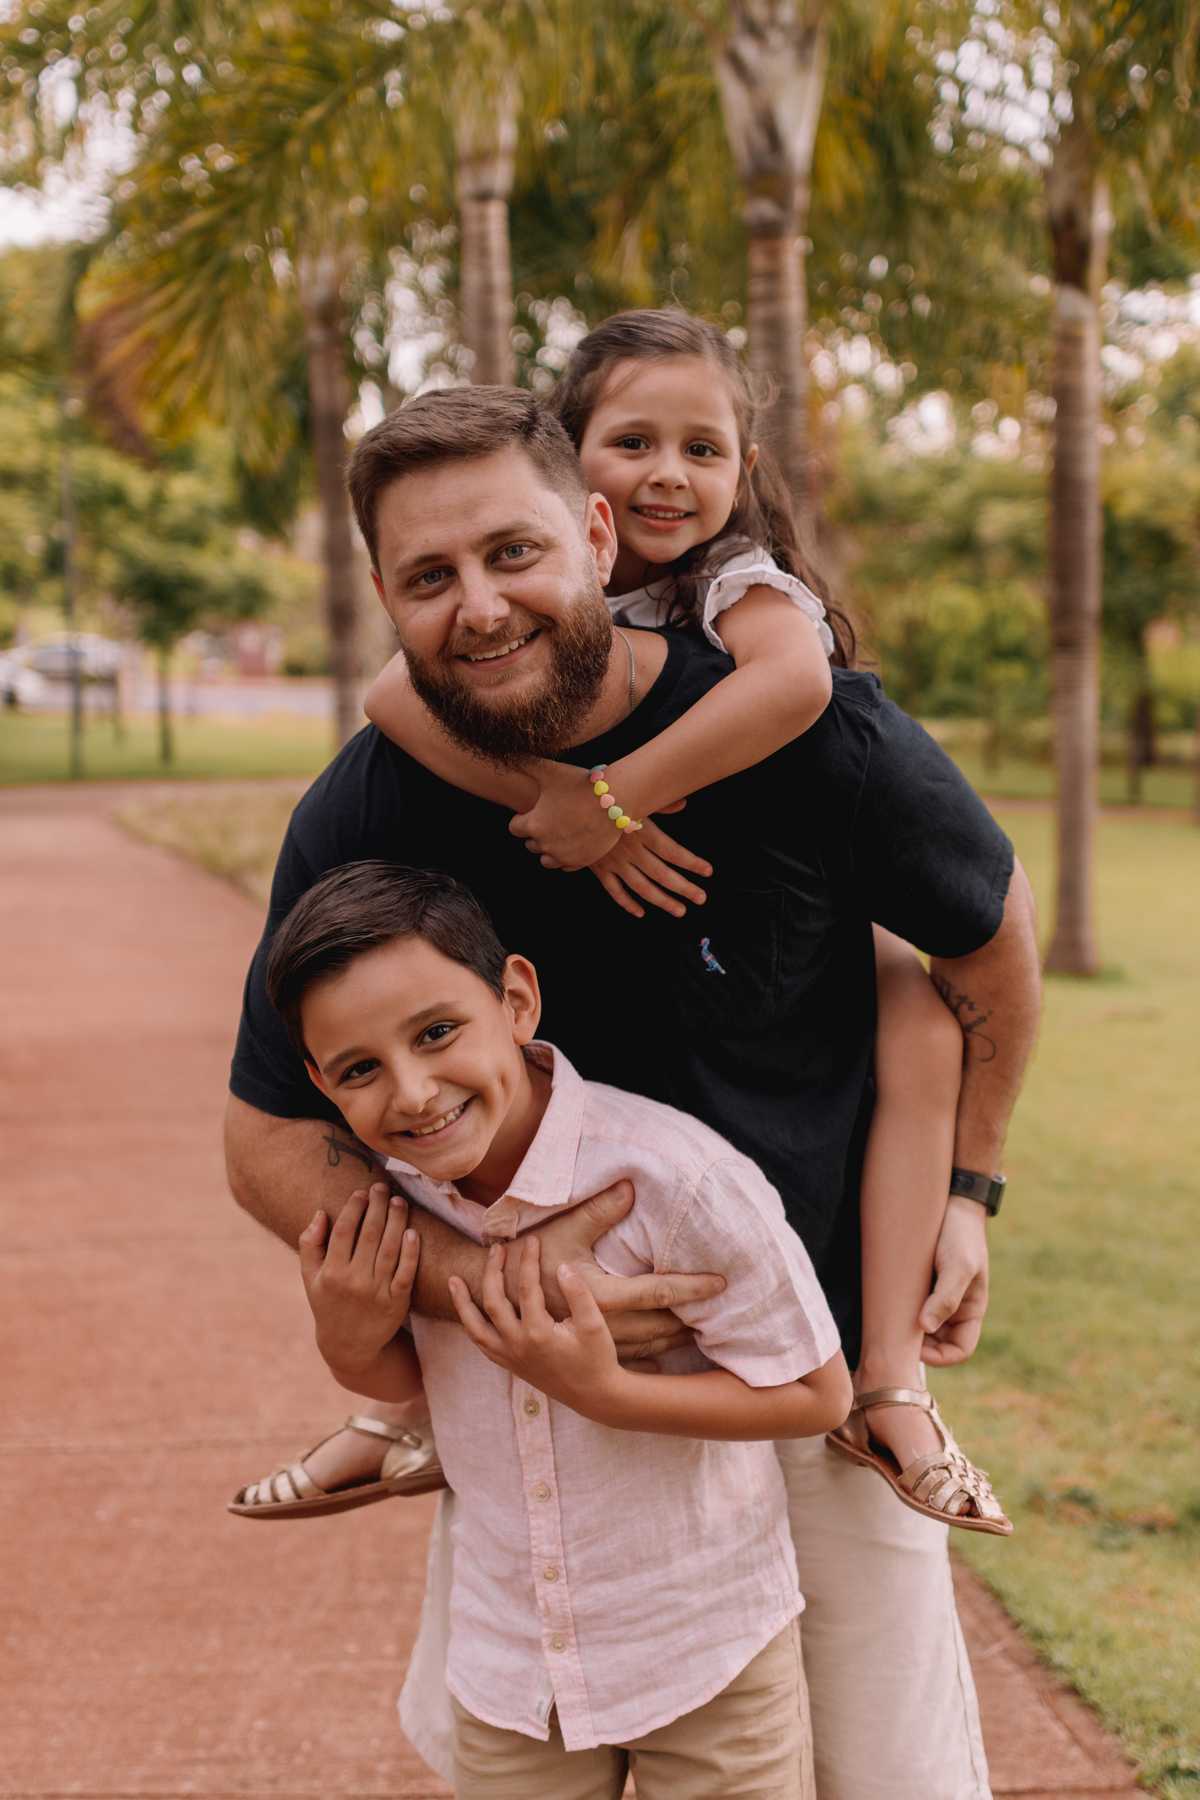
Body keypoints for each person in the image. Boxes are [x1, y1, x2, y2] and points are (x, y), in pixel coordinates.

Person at [224, 382, 1042, 1800]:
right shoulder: (369, 804)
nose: (479, 608)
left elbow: (988, 949)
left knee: (887, 1777)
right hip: (550, 1424)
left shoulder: (817, 740)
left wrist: (968, 1189)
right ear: (382, 597)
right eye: (430, 577)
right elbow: (268, 1137)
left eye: (514, 553)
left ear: (600, 535)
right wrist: (507, 1287)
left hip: (810, 1379)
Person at [288, 308, 1008, 1527]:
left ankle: (885, 1384)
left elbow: (801, 695)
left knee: (912, 1015)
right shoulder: (401, 756)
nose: (671, 473)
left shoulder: (741, 593)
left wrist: (619, 802)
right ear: (582, 461)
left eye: (704, 449)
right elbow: (386, 695)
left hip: (789, 1326)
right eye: (633, 440)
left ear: (589, 526)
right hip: (548, 1367)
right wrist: (556, 799)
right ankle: (403, 1411)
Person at [271, 857, 850, 1798]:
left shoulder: (676, 1182)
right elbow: (407, 1378)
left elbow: (816, 1393)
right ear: (319, 1081)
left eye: (438, 1032)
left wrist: (606, 1394)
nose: (413, 1092)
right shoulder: (391, 1204)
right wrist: (347, 1338)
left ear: (518, 1000)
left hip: (703, 1648)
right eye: (361, 1070)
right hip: (512, 1661)